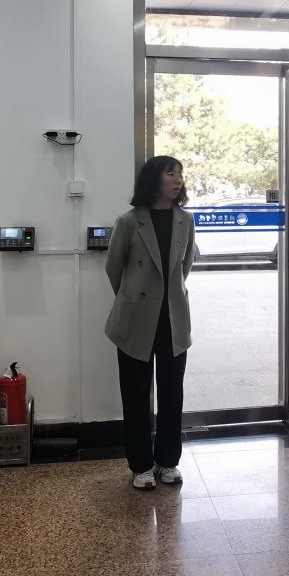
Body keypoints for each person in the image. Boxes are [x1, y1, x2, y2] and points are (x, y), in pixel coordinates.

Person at [105, 156, 198, 490]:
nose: (178, 179)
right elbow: (114, 268)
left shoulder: (186, 220)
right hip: (135, 321)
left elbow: (185, 266)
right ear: (153, 180)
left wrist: (167, 295)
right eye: (170, 173)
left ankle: (168, 462)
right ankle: (141, 466)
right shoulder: (129, 221)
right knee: (135, 395)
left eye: (180, 174)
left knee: (173, 394)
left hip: (173, 319)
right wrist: (134, 298)